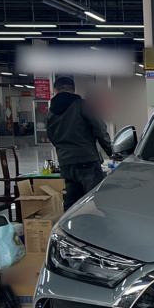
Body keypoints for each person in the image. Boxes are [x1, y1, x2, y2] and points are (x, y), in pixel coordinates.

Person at [46, 76, 112, 210]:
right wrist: (110, 150)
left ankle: (71, 224)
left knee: (71, 206)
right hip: (87, 161)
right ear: (74, 90)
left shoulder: (51, 112)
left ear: (56, 91)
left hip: (65, 164)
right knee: (96, 202)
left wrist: (64, 151)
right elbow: (99, 129)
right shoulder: (83, 105)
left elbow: (52, 137)